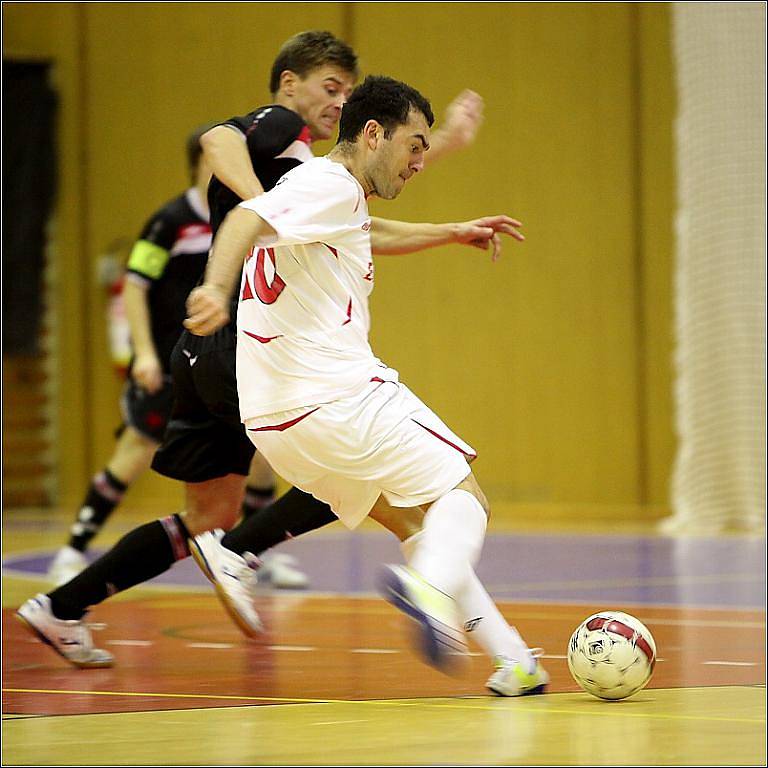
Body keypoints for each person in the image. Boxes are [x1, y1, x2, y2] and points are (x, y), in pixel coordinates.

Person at [15, 32, 490, 674]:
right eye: (330, 86)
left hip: (211, 349)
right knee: (349, 460)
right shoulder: (280, 132)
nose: (339, 100)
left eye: (348, 91)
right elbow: (216, 139)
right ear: (289, 84)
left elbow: (362, 227)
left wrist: (448, 226)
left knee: (205, 517)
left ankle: (61, 605)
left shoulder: (321, 180)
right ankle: (291, 559)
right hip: (239, 344)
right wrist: (263, 211)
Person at [185, 75, 549, 697]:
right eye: (413, 146)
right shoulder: (329, 183)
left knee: (417, 523)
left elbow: (361, 233)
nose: (418, 162)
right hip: (338, 396)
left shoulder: (330, 199)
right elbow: (244, 216)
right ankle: (428, 588)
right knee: (465, 500)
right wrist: (215, 289)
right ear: (373, 133)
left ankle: (513, 661)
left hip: (277, 423)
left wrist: (450, 230)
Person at [44, 126, 306, 591]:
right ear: (206, 163)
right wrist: (142, 352)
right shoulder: (169, 221)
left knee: (263, 453)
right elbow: (135, 287)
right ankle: (73, 549)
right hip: (169, 362)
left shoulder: (245, 217)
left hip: (223, 360)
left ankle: (257, 556)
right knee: (133, 452)